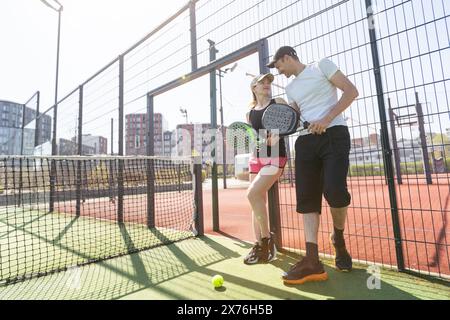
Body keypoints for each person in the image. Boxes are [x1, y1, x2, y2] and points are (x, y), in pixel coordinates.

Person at [267, 46, 359, 284]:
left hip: (335, 134)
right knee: (307, 198)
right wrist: (278, 133)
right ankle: (312, 260)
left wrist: (326, 119)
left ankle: (338, 238)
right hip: (306, 142)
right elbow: (294, 118)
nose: (278, 71)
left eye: (278, 65)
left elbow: (351, 91)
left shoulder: (322, 66)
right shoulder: (290, 88)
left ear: (287, 57)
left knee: (335, 191)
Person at [243, 73, 291, 265]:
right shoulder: (250, 112)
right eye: (261, 82)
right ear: (253, 88)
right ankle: (259, 244)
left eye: (268, 82)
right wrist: (255, 139)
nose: (266, 84)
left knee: (252, 194)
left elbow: (291, 121)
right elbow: (254, 136)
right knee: (256, 202)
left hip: (275, 157)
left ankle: (266, 241)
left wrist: (278, 134)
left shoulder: (278, 101)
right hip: (256, 157)